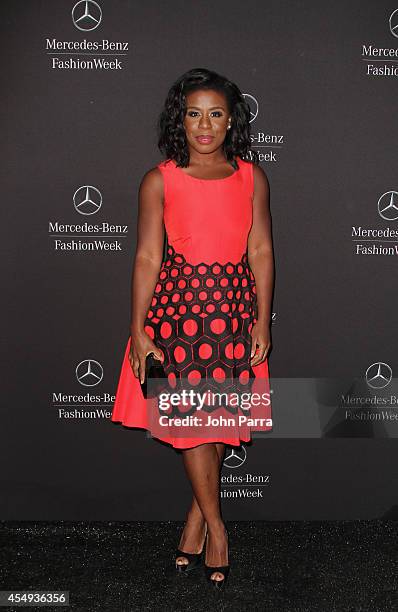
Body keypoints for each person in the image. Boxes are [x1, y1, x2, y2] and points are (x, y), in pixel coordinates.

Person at [111, 67, 274, 590]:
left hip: (233, 312)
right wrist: (137, 328)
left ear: (232, 120)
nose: (205, 125)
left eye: (217, 113)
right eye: (194, 113)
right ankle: (218, 528)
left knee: (219, 421)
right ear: (180, 119)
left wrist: (261, 319)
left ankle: (195, 519)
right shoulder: (159, 179)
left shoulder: (252, 177)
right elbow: (146, 256)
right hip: (176, 317)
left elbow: (262, 250)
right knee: (191, 429)